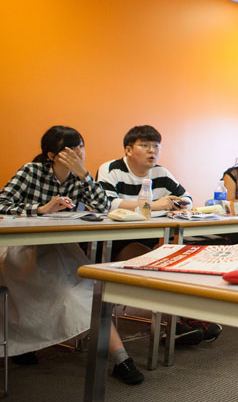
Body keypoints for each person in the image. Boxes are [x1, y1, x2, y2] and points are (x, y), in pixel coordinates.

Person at [0, 126, 144, 384]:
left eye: (81, 146)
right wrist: (40, 209)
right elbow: (2, 203)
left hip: (62, 249)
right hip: (24, 252)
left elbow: (102, 206)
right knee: (62, 293)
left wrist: (84, 175)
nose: (80, 153)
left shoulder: (80, 177)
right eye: (72, 148)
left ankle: (121, 359)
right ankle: (24, 346)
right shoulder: (31, 172)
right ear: (52, 155)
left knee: (90, 292)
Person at [97, 125, 220, 343]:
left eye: (156, 146)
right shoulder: (111, 169)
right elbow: (108, 203)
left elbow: (187, 199)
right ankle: (178, 322)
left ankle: (180, 321)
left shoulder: (161, 173)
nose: (152, 151)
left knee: (178, 263)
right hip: (114, 240)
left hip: (150, 236)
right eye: (144, 146)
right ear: (128, 150)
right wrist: (154, 205)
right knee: (159, 266)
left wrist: (174, 204)